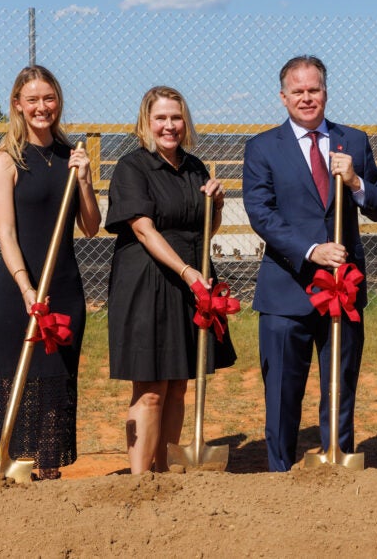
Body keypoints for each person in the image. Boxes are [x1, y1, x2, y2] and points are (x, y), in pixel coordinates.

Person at [243, 55, 377, 472]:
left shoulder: (355, 142)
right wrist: (312, 250)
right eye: (298, 91)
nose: (306, 98)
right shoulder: (262, 148)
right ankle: (279, 471)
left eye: (314, 90)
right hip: (286, 289)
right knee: (281, 390)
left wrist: (358, 182)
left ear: (325, 93)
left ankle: (336, 461)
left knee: (340, 385)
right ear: (283, 97)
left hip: (343, 290)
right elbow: (261, 212)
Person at [106, 85, 236, 474]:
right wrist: (186, 271)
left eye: (176, 117)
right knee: (150, 390)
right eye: (160, 118)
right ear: (146, 122)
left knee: (179, 383)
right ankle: (140, 478)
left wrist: (217, 203)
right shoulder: (132, 167)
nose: (169, 126)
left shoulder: (196, 168)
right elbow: (143, 230)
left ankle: (167, 473)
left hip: (188, 283)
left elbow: (204, 231)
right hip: (147, 282)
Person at [0, 65, 102, 481]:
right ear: (17, 104)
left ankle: (49, 475)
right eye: (32, 99)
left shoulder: (70, 157)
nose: (41, 107)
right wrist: (26, 288)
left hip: (65, 289)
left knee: (56, 387)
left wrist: (85, 180)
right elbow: (7, 234)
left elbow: (91, 226)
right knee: (15, 387)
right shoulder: (5, 162)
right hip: (20, 292)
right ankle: (6, 472)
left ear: (58, 102)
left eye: (48, 98)